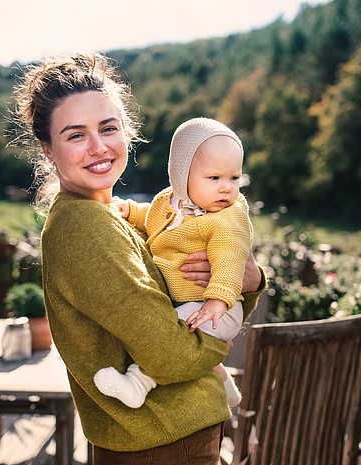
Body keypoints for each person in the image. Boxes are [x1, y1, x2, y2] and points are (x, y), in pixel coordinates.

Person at [13, 52, 265, 465]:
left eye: (108, 128)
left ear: (126, 130)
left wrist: (243, 279)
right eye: (75, 135)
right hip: (160, 454)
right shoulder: (84, 228)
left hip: (165, 447)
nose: (98, 146)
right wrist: (233, 314)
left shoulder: (111, 215)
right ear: (48, 149)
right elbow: (171, 356)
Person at [94, 117, 251, 409]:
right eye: (215, 178)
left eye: (234, 178)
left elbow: (230, 259)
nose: (227, 188)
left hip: (215, 307)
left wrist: (217, 301)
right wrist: (131, 211)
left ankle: (138, 383)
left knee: (168, 335)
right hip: (186, 303)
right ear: (181, 175)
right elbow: (153, 218)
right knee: (181, 336)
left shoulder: (226, 218)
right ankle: (225, 385)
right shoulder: (170, 200)